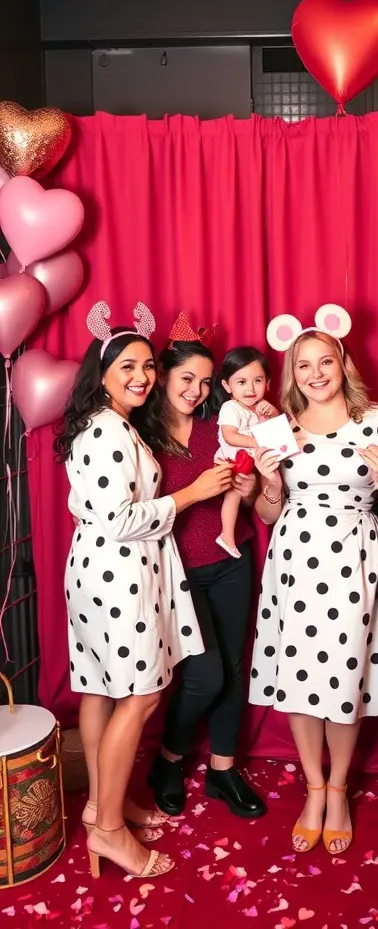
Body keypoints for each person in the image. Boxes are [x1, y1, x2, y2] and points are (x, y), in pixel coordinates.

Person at [54, 303, 205, 880]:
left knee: (101, 691)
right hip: (117, 573)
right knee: (139, 697)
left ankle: (102, 803)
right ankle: (109, 831)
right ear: (103, 372)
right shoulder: (108, 431)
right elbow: (119, 520)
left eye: (148, 365)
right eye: (128, 367)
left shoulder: (110, 423)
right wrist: (190, 497)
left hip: (103, 572)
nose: (142, 376)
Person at [251, 316, 378, 854]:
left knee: (344, 676)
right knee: (298, 674)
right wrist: (270, 483)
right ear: (291, 374)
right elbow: (267, 515)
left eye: (326, 361)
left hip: (354, 557)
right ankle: (313, 789)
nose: (316, 373)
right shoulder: (281, 428)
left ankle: (338, 788)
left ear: (343, 364)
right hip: (295, 558)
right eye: (304, 365)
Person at [144, 315, 266, 820]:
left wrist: (248, 489)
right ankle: (169, 759)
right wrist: (194, 492)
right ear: (164, 376)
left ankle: (222, 769)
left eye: (204, 380)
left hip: (232, 558)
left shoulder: (223, 428)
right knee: (204, 676)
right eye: (185, 379)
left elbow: (252, 490)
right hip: (178, 571)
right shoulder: (140, 437)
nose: (195, 390)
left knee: (235, 669)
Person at [212, 346, 278, 559]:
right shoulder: (231, 408)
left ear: (267, 383)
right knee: (233, 496)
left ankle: (227, 536)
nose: (250, 388)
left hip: (250, 462)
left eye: (257, 381)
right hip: (233, 458)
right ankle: (227, 536)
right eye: (241, 382)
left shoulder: (258, 407)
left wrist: (272, 413)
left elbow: (276, 429)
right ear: (227, 386)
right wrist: (257, 442)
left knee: (240, 495)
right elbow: (230, 436)